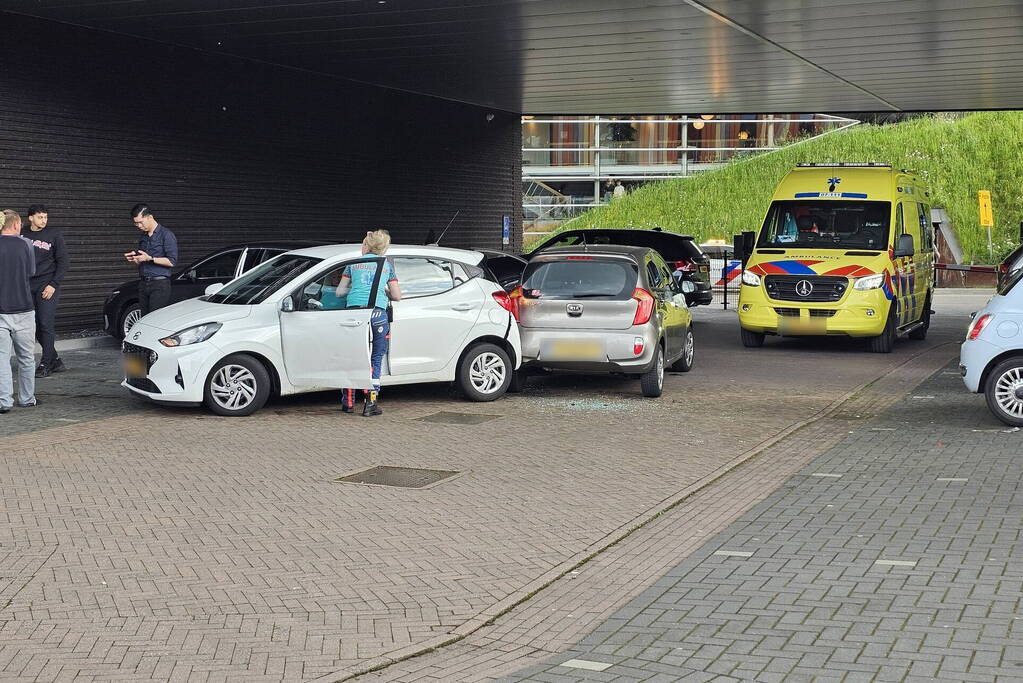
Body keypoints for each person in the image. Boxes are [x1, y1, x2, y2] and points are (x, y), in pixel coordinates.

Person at [335, 230, 401, 416]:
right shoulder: (387, 266)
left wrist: (356, 290)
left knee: (351, 356)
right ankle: (370, 404)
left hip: (354, 314)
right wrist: (384, 292)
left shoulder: (353, 265)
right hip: (377, 315)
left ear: (367, 245)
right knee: (375, 358)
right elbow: (397, 295)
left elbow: (339, 292)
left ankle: (347, 403)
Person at [22, 204, 69, 377]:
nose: (43, 220)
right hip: (27, 285)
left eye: (45, 217)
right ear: (31, 218)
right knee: (32, 325)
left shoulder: (54, 235)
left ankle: (45, 364)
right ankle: (55, 359)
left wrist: (53, 284)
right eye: (40, 217)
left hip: (47, 285)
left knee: (45, 323)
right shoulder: (22, 233)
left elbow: (64, 262)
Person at [0, 209, 38, 413]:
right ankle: (26, 398)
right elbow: (31, 272)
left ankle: (4, 401)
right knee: (26, 358)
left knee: (1, 359)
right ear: (16, 225)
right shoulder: (27, 244)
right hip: (24, 309)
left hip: (0, 311)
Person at [124, 204, 178, 317]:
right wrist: (136, 258)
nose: (138, 226)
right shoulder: (143, 237)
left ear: (150, 217)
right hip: (144, 283)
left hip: (160, 284)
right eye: (136, 223)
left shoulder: (166, 235)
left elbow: (172, 261)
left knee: (155, 319)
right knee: (144, 319)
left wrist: (150, 258)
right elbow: (143, 259)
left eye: (140, 222)